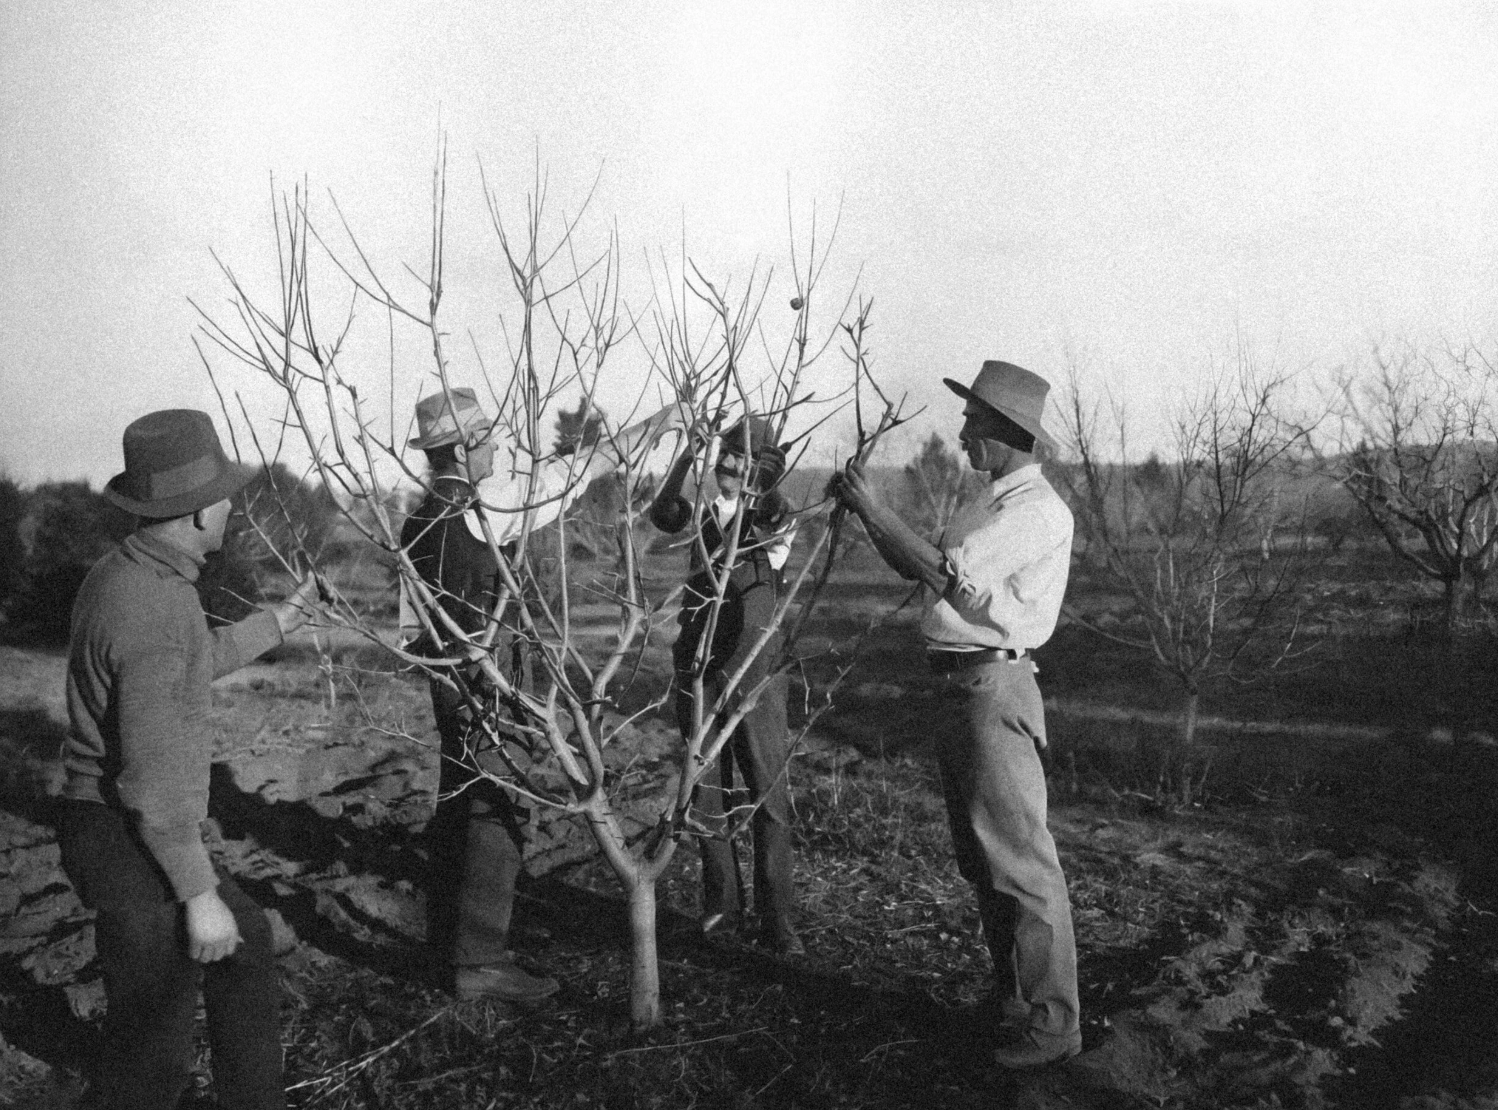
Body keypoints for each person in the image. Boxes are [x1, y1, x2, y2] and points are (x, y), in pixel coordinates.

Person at [57, 408, 323, 1110]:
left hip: (110, 819)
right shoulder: (155, 608)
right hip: (123, 830)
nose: (233, 505)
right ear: (202, 513)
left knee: (246, 941)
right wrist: (199, 897)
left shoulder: (126, 573)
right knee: (153, 1056)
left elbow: (183, 663)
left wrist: (275, 624)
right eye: (227, 495)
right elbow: (151, 782)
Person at [830, 361, 1082, 1068]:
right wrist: (865, 511)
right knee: (985, 858)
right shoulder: (988, 503)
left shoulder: (1037, 512)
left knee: (1021, 862)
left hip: (992, 687)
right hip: (961, 687)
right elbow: (921, 568)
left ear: (1006, 431)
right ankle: (1016, 1003)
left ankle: (1054, 1026)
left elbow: (947, 574)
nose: (964, 433)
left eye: (973, 422)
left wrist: (875, 507)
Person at [400, 386, 681, 1002]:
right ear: (464, 448)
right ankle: (479, 962)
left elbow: (410, 626)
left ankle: (448, 948)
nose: (497, 446)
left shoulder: (418, 521)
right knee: (496, 806)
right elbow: (576, 470)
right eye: (487, 438)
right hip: (485, 676)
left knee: (459, 800)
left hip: (447, 676)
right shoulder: (480, 511)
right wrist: (657, 424)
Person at [649, 414, 802, 956]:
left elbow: (771, 513)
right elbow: (662, 513)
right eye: (726, 454)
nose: (730, 465)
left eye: (744, 458)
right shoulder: (701, 515)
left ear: (763, 468)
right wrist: (685, 458)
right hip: (700, 670)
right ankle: (722, 908)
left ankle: (778, 919)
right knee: (705, 791)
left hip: (755, 674)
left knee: (767, 793)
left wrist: (765, 486)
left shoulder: (774, 516)